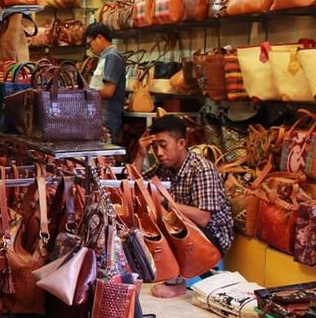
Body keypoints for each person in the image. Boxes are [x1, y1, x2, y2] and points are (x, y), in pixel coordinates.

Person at [133, 115, 235, 298]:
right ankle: (168, 273)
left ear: (181, 143)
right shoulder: (166, 166)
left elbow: (204, 217)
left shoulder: (201, 169)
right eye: (155, 147)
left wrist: (166, 201)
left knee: (164, 218)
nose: (159, 152)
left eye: (163, 145)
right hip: (184, 228)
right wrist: (140, 154)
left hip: (212, 236)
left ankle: (177, 283)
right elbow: (136, 186)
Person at [84, 23, 127, 143]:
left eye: (89, 43)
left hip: (106, 117)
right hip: (99, 116)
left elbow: (108, 91)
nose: (89, 48)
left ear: (99, 38)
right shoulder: (105, 57)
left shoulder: (112, 56)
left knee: (104, 155)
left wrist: (84, 93)